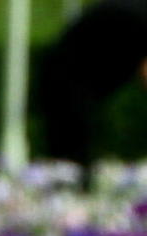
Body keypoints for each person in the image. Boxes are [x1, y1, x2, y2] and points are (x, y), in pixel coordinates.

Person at [36, 0, 147, 178]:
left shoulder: (137, 9)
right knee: (71, 161)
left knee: (72, 156)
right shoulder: (140, 17)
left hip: (67, 75)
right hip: (67, 79)